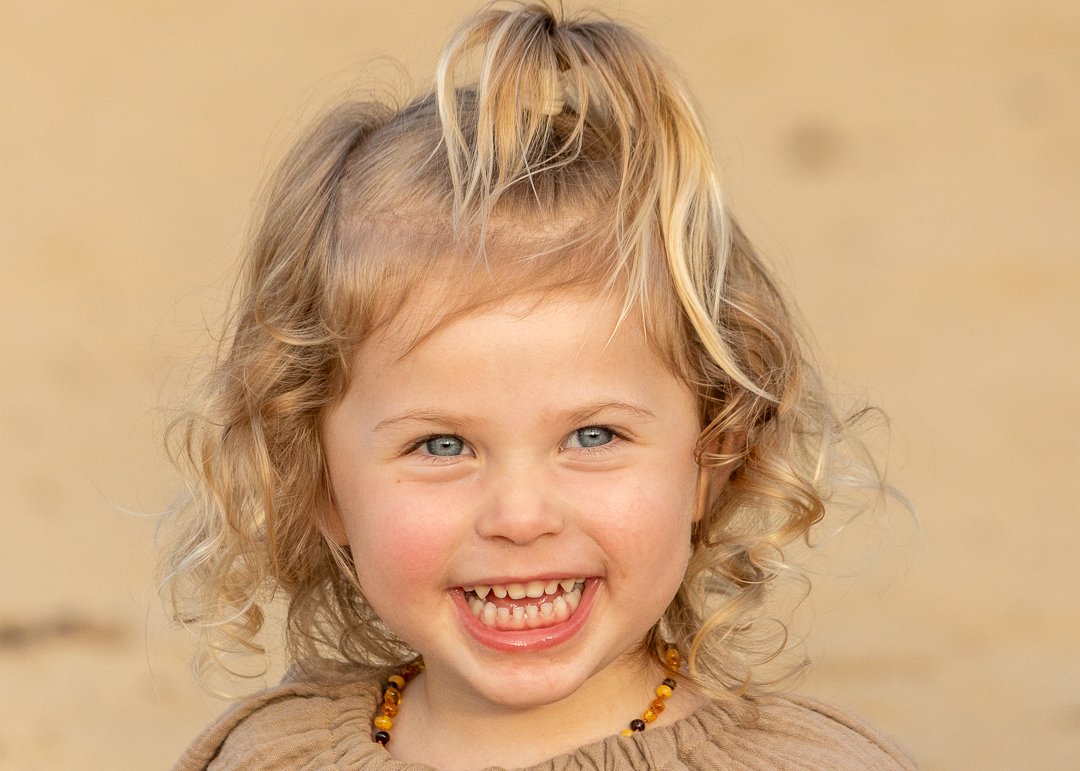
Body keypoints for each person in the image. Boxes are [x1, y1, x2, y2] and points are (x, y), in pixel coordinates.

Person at [163, 3, 915, 769]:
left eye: (593, 436)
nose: (520, 518)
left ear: (712, 456)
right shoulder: (267, 755)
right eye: (442, 444)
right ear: (319, 482)